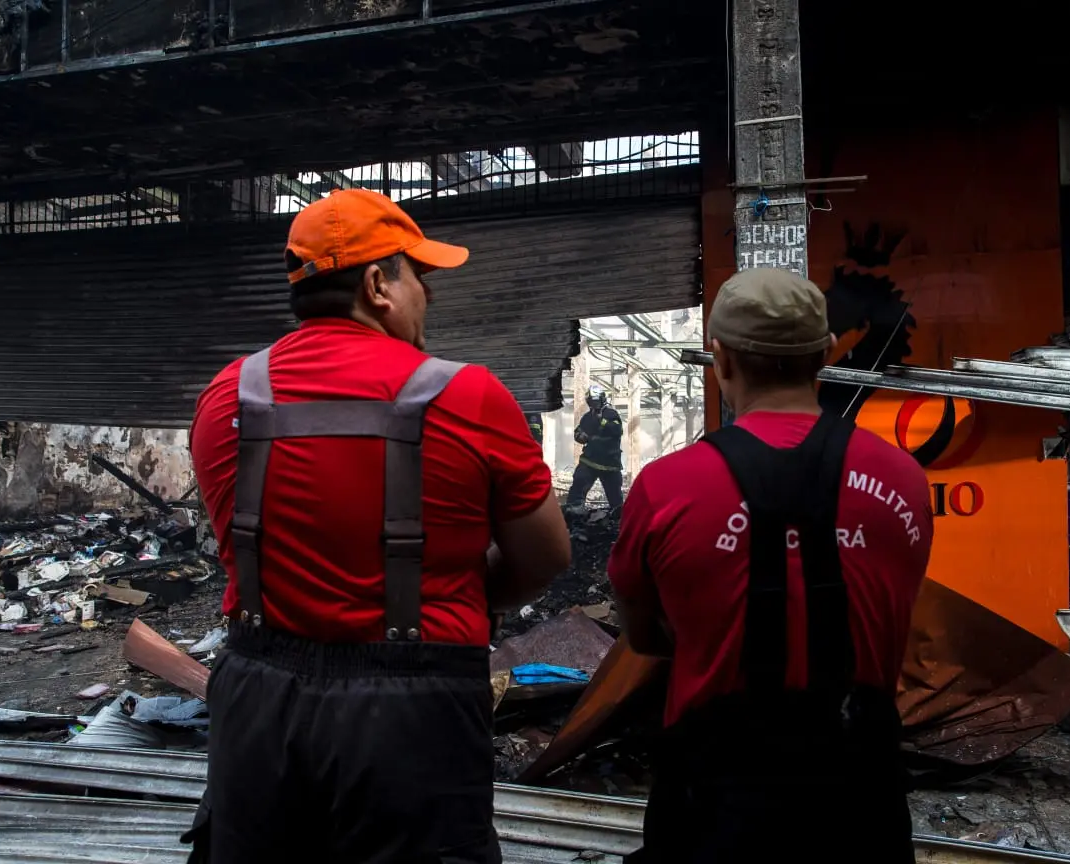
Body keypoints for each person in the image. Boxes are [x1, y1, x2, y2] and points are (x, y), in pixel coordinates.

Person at [185, 189, 571, 864]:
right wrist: (467, 595)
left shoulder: (227, 396)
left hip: (257, 703)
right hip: (414, 714)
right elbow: (545, 558)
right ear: (376, 285)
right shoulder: (468, 394)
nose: (429, 292)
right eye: (418, 275)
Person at [608, 268, 934, 863]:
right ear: (823, 355)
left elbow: (643, 635)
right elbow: (896, 611)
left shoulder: (666, 487)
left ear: (722, 358)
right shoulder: (904, 479)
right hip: (861, 805)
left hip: (714, 808)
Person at [565, 384, 624, 514]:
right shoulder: (587, 417)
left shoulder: (611, 414)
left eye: (597, 400)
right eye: (592, 401)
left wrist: (601, 421)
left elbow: (617, 430)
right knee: (578, 486)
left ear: (603, 399)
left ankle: (618, 518)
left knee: (615, 496)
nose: (595, 404)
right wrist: (580, 436)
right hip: (590, 461)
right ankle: (573, 513)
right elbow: (579, 432)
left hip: (609, 463)